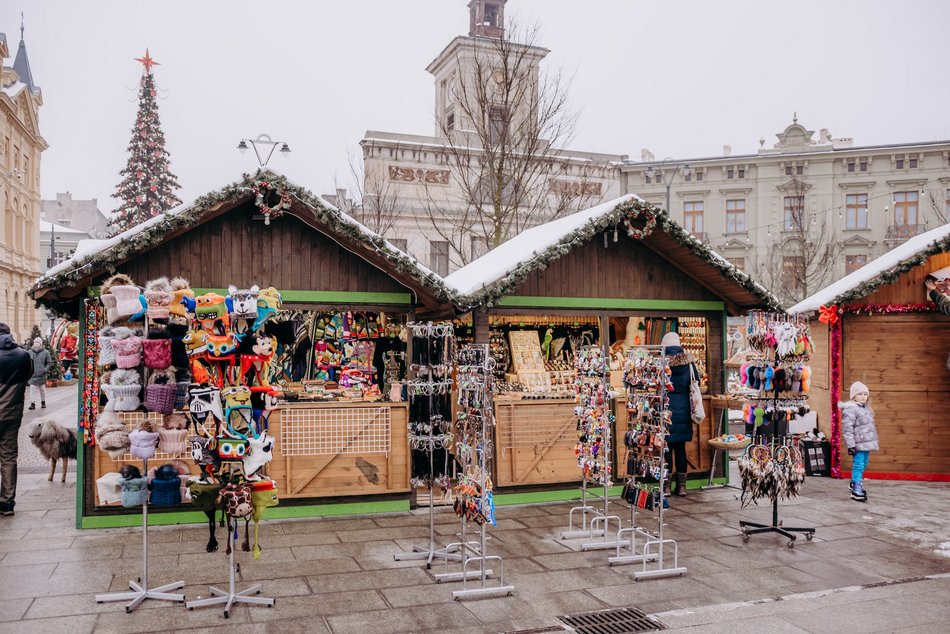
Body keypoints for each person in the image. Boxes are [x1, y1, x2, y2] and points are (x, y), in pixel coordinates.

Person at [0, 323, 33, 516]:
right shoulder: (23, 355)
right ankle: (7, 503)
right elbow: (28, 376)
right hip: (12, 415)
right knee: (9, 457)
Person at [661, 331, 699, 497]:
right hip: (684, 408)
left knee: (667, 448)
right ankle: (682, 487)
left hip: (666, 408)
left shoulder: (662, 363)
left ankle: (666, 487)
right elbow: (695, 381)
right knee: (681, 448)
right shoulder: (689, 364)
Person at [840, 381, 879, 502]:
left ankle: (853, 481)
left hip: (866, 443)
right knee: (859, 465)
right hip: (857, 444)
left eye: (865, 394)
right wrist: (851, 445)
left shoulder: (866, 408)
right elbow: (847, 429)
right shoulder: (851, 409)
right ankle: (856, 488)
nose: (863, 396)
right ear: (853, 396)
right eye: (860, 394)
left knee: (864, 463)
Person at [27, 337, 52, 410]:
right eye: (35, 342)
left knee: (42, 390)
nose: (36, 343)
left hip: (42, 374)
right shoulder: (29, 352)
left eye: (38, 342)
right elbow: (27, 362)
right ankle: (32, 403)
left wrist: (45, 369)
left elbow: (49, 362)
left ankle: (43, 401)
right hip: (33, 374)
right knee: (32, 389)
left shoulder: (45, 352)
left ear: (41, 344)